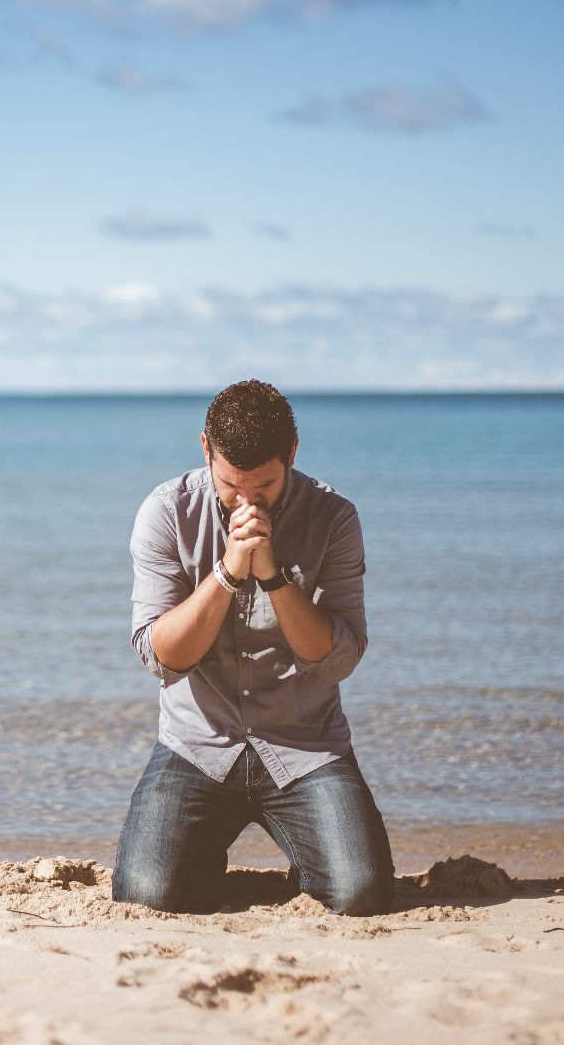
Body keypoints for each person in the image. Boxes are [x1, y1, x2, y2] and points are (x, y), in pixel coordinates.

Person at [111, 379, 396, 916]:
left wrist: (272, 576)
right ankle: (200, 857)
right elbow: (161, 656)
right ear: (205, 450)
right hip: (196, 745)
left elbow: (338, 658)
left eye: (263, 486)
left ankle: (305, 853)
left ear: (291, 452)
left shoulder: (334, 517)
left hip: (304, 745)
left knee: (361, 895)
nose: (246, 503)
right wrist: (226, 572)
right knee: (145, 897)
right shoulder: (167, 511)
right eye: (230, 485)